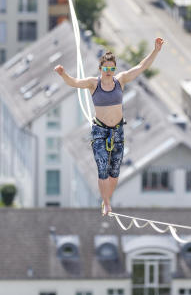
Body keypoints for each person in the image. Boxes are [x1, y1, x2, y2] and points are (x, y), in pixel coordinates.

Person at [54, 38, 164, 215]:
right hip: (100, 131)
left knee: (114, 174)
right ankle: (106, 203)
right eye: (105, 68)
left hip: (118, 131)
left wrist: (156, 51)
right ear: (100, 69)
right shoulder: (93, 83)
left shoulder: (120, 81)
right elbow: (74, 83)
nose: (108, 72)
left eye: (112, 69)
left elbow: (141, 67)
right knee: (103, 168)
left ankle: (107, 198)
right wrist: (62, 74)